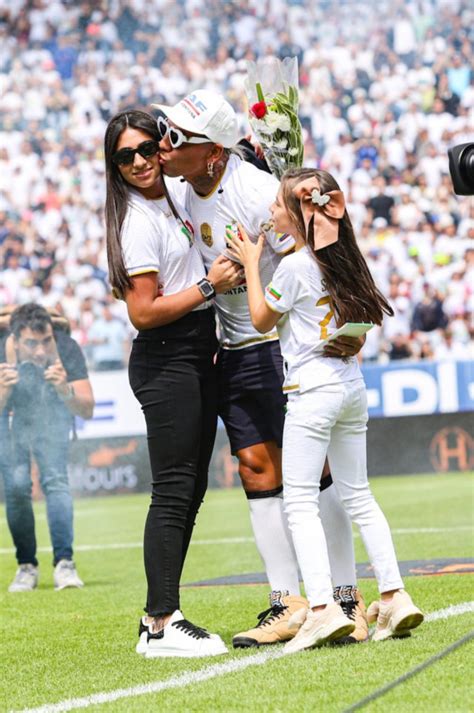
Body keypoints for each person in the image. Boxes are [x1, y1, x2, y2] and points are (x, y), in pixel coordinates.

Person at [156, 89, 368, 647]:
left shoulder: (255, 192)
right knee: (255, 469)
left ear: (215, 155)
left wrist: (351, 322)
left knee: (314, 474)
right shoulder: (179, 189)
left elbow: (327, 246)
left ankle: (348, 598)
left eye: (177, 136)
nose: (164, 143)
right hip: (231, 347)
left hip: (281, 345)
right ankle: (287, 602)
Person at [227, 167, 424, 652]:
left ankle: (319, 609)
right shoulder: (344, 258)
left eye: (278, 204)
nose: (271, 211)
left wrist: (253, 264)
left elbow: (259, 319)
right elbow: (366, 319)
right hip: (351, 387)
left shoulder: (294, 266)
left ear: (298, 214)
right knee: (358, 495)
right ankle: (394, 595)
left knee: (298, 502)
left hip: (311, 391)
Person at [104, 110, 242, 658]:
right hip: (166, 359)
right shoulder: (137, 218)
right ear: (113, 166)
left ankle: (158, 615)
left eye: (146, 148)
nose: (139, 161)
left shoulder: (174, 196)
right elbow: (143, 312)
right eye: (124, 156)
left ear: (165, 144)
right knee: (173, 491)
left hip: (191, 353)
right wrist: (210, 286)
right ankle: (160, 621)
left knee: (190, 490)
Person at [0, 303, 94, 592]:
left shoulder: (66, 347)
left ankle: (64, 563)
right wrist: (2, 394)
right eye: (31, 343)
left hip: (53, 415)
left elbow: (87, 408)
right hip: (11, 422)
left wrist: (64, 389)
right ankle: (26, 566)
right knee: (16, 488)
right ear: (14, 339)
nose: (40, 351)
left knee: (55, 481)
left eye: (45, 341)